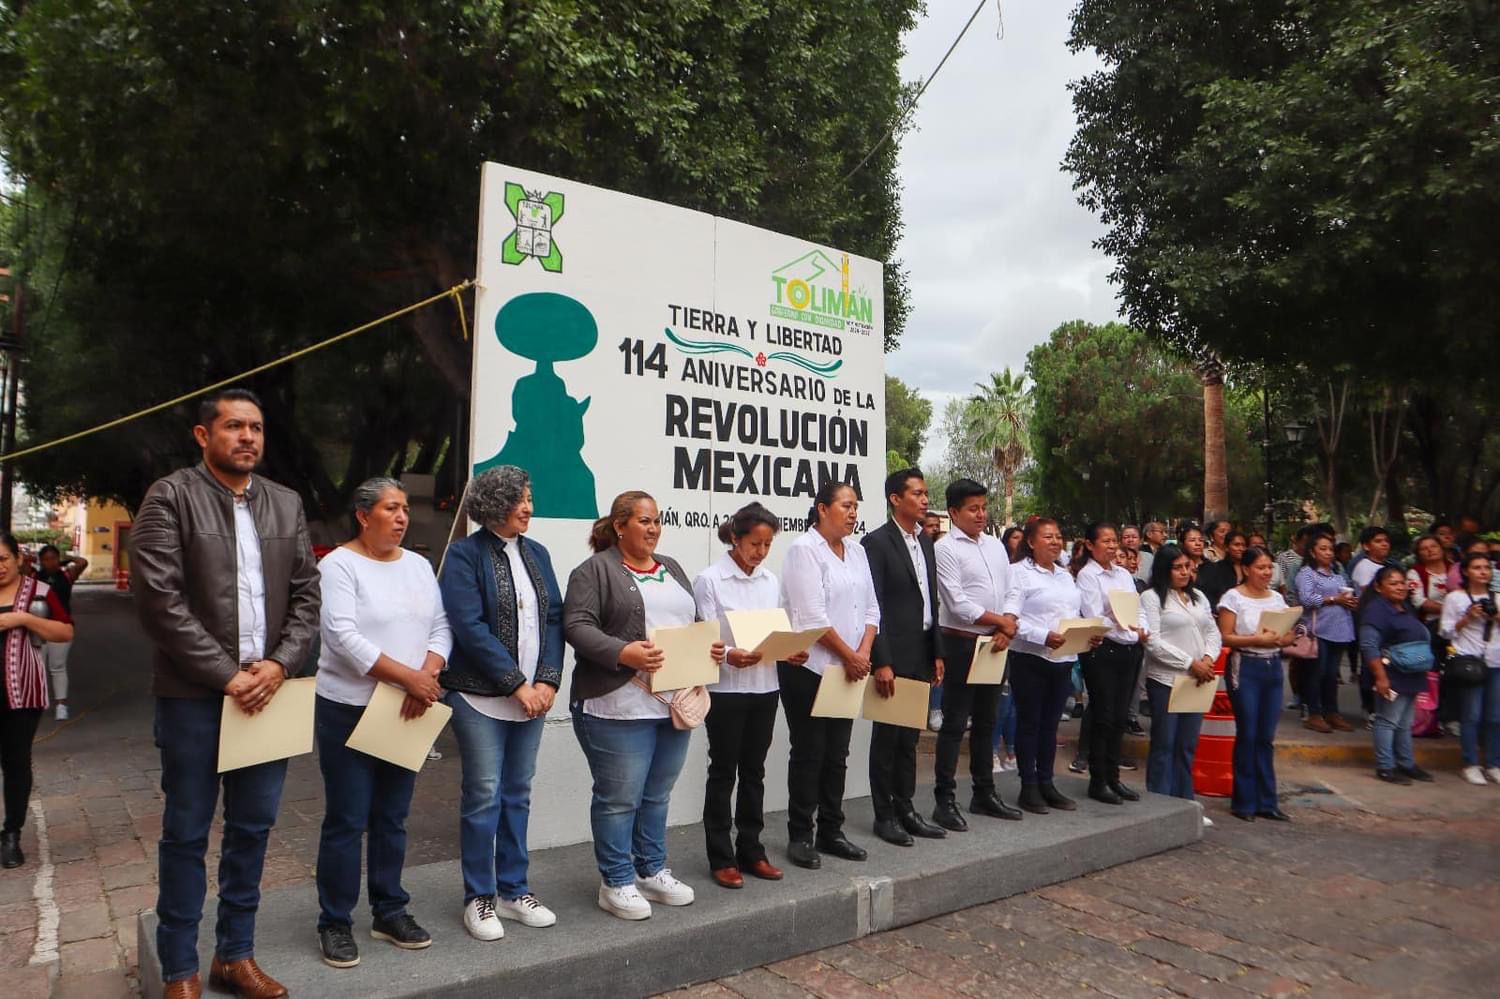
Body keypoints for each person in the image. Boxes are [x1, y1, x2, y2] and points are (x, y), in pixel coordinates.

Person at [130, 387, 320, 999]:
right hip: (195, 696)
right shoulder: (171, 497)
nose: (248, 438)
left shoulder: (286, 504)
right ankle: (180, 969)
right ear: (203, 436)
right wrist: (227, 674)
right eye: (234, 426)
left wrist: (279, 665)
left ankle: (234, 956)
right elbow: (160, 601)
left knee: (253, 829)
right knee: (186, 832)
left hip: (269, 693)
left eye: (257, 428)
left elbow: (307, 598)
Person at [565, 490, 724, 919]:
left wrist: (708, 649)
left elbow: (690, 623)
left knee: (656, 794)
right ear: (620, 526)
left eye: (656, 521)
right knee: (619, 798)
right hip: (618, 704)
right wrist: (624, 652)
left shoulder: (670, 567)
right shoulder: (594, 571)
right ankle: (616, 880)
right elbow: (576, 625)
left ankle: (651, 869)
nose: (653, 529)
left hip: (672, 702)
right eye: (644, 521)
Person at [312, 478, 452, 967]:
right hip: (348, 708)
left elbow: (440, 625)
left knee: (393, 817)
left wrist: (427, 676)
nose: (401, 517)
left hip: (407, 706)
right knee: (348, 820)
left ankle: (389, 909)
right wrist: (409, 679)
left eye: (405, 509)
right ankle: (334, 920)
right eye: (391, 508)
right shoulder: (338, 565)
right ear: (363, 514)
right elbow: (342, 636)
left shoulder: (417, 566)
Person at [440, 466, 564, 940]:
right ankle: (479, 897)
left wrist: (548, 680)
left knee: (518, 794)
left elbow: (555, 620)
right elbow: (468, 628)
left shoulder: (538, 553)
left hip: (533, 699)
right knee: (484, 795)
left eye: (530, 497)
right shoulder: (463, 555)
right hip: (479, 698)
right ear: (494, 504)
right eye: (519, 499)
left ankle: (514, 891)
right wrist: (517, 683)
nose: (528, 507)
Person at [692, 502, 799, 888]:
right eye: (755, 543)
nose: (761, 551)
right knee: (723, 771)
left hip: (766, 686)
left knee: (755, 771)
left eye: (768, 544)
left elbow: (775, 631)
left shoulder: (770, 581)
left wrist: (791, 649)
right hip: (726, 690)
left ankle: (752, 849)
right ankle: (720, 856)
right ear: (735, 538)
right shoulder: (711, 579)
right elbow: (705, 638)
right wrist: (729, 654)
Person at [779, 480, 878, 869]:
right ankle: (800, 834)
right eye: (846, 506)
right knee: (809, 753)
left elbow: (872, 609)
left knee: (837, 754)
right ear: (822, 509)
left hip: (849, 670)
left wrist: (863, 653)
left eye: (855, 506)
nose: (853, 513)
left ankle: (831, 830)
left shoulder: (856, 551)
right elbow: (813, 617)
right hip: (812, 669)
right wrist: (850, 656)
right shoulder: (804, 550)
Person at [862, 469, 951, 845]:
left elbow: (931, 601)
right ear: (895, 499)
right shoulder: (877, 543)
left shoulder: (925, 542)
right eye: (916, 493)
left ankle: (907, 808)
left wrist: (937, 652)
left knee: (909, 740)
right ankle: (884, 816)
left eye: (926, 493)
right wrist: (881, 660)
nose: (925, 499)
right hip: (892, 655)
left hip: (921, 650)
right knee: (887, 739)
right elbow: (873, 604)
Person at [933, 478, 1022, 830]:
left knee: (988, 721)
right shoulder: (945, 548)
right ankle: (944, 799)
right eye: (973, 509)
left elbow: (1013, 588)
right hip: (961, 642)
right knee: (955, 723)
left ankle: (984, 792)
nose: (981, 514)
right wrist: (1001, 621)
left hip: (995, 642)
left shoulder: (995, 546)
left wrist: (1007, 623)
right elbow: (957, 602)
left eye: (984, 507)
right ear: (954, 512)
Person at [1003, 517, 1102, 814]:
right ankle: (1028, 785)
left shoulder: (1064, 576)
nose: (1056, 541)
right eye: (1048, 537)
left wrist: (1088, 635)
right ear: (1031, 542)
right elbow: (1010, 620)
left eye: (1059, 536)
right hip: (1031, 657)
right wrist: (1042, 636)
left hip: (1064, 659)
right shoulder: (1017, 574)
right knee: (1030, 723)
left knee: (1050, 726)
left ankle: (1047, 782)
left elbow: (1073, 614)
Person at [0, 531, 74, 870]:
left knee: (15, 763)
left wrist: (24, 618)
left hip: (21, 691)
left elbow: (65, 632)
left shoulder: (40, 592)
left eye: (2, 559)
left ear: (18, 558)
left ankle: (11, 833)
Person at [1073, 523, 1149, 806]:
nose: (1112, 545)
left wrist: (1142, 627)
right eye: (1105, 541)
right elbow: (1093, 614)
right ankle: (1098, 779)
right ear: (1091, 545)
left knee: (1119, 717)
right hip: (1103, 650)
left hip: (1129, 647)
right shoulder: (1088, 576)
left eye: (1113, 540)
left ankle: (1114, 777)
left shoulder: (1123, 575)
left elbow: (1138, 608)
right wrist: (1118, 618)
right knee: (1103, 716)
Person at [1217, 547, 1296, 822]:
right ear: (1247, 569)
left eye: (1269, 568)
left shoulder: (1276, 598)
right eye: (1261, 567)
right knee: (1248, 733)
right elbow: (1225, 637)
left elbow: (1288, 632)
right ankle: (1244, 801)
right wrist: (1255, 639)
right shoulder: (1233, 597)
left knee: (1266, 737)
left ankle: (1267, 800)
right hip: (1246, 665)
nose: (1266, 573)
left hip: (1272, 666)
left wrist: (1284, 638)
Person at [1141, 545, 1217, 820]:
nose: (1185, 572)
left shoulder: (1198, 598)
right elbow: (1153, 641)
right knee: (1165, 744)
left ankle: (1185, 805)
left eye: (1188, 566)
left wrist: (1208, 658)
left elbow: (1212, 631)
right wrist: (1189, 663)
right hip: (1166, 680)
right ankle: (1159, 808)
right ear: (1164, 570)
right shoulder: (1151, 598)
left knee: (1186, 746)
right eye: (1178, 567)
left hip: (1198, 680)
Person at [1359, 565, 1436, 785]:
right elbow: (1369, 646)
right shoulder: (1376, 611)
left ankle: (1406, 763)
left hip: (1411, 674)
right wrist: (1381, 677)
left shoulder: (1403, 607)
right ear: (1378, 586)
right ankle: (1385, 766)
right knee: (1387, 721)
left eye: (1402, 582)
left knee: (1405, 722)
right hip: (1391, 674)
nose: (1399, 587)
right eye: (1393, 583)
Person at [1440, 552, 1500, 786]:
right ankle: (1471, 763)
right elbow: (1445, 632)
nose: (1483, 571)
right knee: (1471, 715)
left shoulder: (1497, 597)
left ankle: (1494, 763)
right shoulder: (1455, 598)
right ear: (1465, 571)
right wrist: (1467, 617)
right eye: (1477, 567)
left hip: (1496, 660)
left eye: (1486, 567)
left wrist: (1495, 616)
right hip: (1469, 660)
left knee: (1495, 717)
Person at [1295, 533, 1360, 734]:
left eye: (1331, 549)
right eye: (1323, 548)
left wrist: (1350, 601)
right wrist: (1333, 599)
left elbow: (1347, 596)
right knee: (1317, 673)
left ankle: (1332, 712)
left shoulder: (1337, 574)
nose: (1328, 553)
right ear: (1312, 552)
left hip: (1339, 630)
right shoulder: (1306, 573)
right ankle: (1313, 713)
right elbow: (1306, 599)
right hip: (1318, 630)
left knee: (1332, 675)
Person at [34, 545, 87, 721]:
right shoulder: (33, 576)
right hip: (38, 626)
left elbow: (83, 562)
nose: (50, 562)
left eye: (54, 558)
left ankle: (61, 704)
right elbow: (20, 563)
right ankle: (38, 702)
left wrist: (67, 559)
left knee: (57, 667)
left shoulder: (66, 575)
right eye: (46, 559)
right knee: (37, 667)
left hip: (60, 625)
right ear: (40, 561)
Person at [1195, 531, 1248, 609]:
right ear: (1226, 547)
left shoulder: (1250, 569)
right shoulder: (1214, 569)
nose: (1241, 549)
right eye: (1236, 545)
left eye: (1244, 545)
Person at [1348, 526, 1394, 594]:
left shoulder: (1390, 564)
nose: (1384, 544)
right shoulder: (1364, 567)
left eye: (1387, 541)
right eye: (1378, 541)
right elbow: (1369, 594)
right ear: (1366, 546)